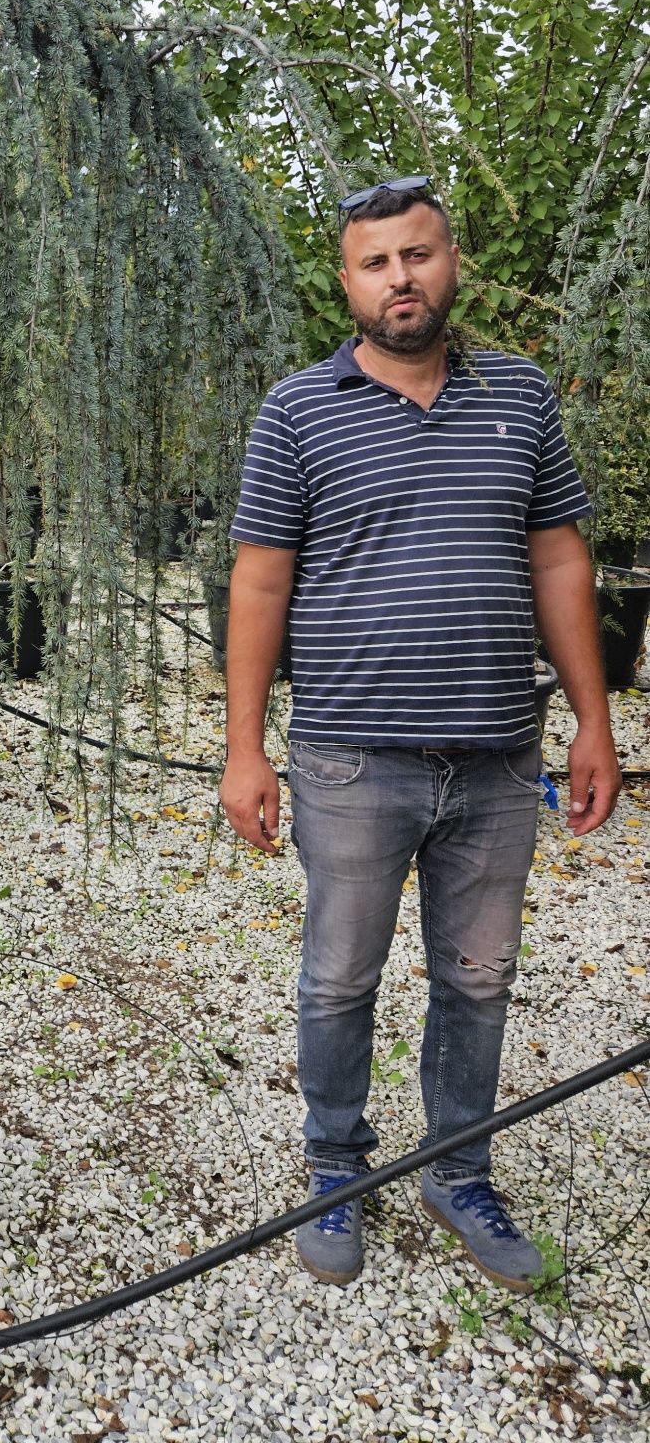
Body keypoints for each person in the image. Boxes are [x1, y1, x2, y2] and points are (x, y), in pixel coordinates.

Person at [220, 175, 620, 1290]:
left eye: (418, 253)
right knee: (339, 979)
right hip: (353, 758)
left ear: (454, 263)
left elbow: (557, 558)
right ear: (347, 282)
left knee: (479, 978)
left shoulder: (522, 399)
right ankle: (335, 1168)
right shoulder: (298, 410)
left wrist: (595, 718)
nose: (401, 277)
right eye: (375, 261)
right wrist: (244, 744)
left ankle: (457, 1168)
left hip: (498, 762)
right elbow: (259, 583)